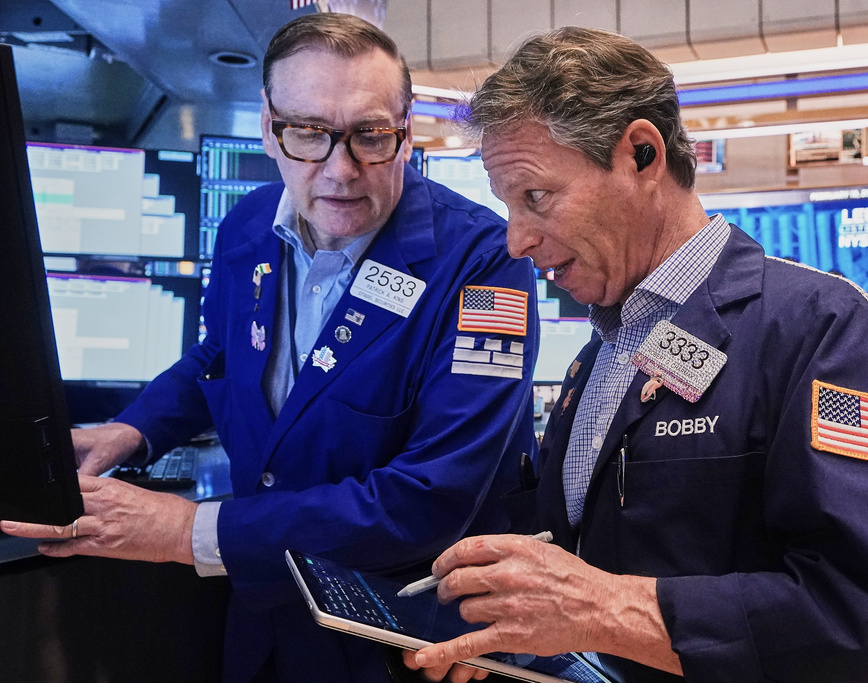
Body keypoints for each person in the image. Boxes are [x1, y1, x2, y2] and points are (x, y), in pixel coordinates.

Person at [1, 13, 539, 683]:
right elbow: (218, 357)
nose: (340, 170)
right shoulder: (246, 226)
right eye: (309, 133)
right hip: (264, 623)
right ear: (269, 127)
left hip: (402, 642)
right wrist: (132, 429)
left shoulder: (484, 263)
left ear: (405, 134)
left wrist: (190, 529)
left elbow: (430, 496)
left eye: (370, 136)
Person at [405, 26, 868, 683]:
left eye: (537, 197)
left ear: (641, 154)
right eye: (508, 207)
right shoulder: (598, 358)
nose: (516, 239)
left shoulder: (830, 334)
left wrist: (607, 608)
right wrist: (511, 626)